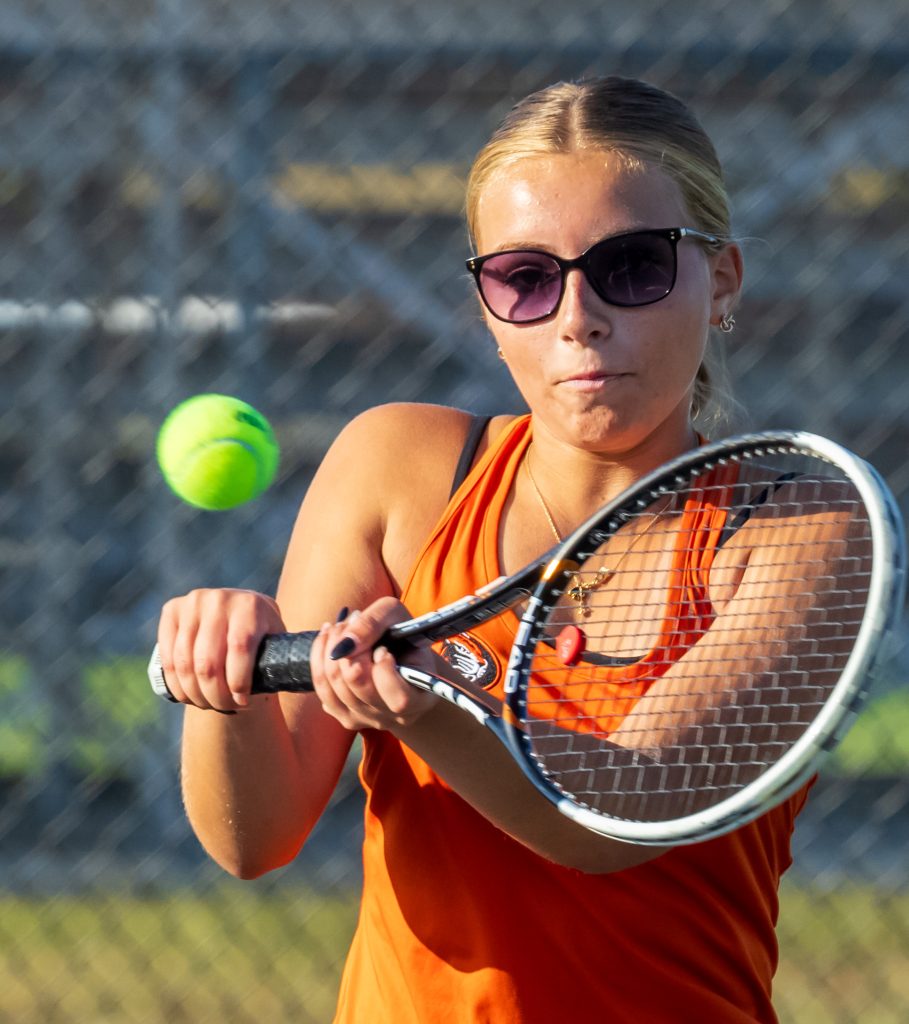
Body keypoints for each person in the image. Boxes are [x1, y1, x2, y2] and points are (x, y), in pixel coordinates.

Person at [157, 76, 809, 1023]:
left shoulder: (798, 521)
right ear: (486, 303)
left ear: (723, 279)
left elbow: (618, 817)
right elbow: (253, 840)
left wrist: (433, 707)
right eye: (525, 277)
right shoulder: (397, 468)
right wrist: (221, 686)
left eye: (632, 266)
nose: (577, 315)